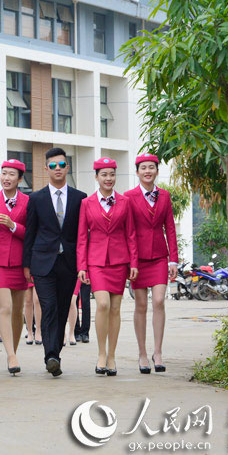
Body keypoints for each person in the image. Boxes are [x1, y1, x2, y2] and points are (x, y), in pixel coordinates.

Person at [23, 148, 87, 377]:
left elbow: (83, 235)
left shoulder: (81, 198)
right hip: (42, 263)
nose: (57, 169)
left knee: (61, 308)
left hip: (69, 263)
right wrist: (26, 265)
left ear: (67, 167)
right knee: (48, 306)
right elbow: (29, 233)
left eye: (61, 165)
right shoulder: (36, 198)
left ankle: (55, 354)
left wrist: (83, 264)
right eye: (52, 166)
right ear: (46, 168)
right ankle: (50, 354)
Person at [77, 158, 138, 376]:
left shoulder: (125, 201)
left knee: (115, 308)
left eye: (112, 174)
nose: (108, 178)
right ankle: (101, 353)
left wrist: (134, 262)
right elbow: (82, 237)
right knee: (102, 304)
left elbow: (131, 234)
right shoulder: (87, 203)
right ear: (96, 177)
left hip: (120, 261)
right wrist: (82, 266)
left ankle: (112, 356)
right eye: (104, 174)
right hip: (96, 261)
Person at [124, 153, 178, 374]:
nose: (147, 171)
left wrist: (173, 259)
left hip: (158, 257)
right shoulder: (128, 197)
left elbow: (170, 228)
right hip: (137, 259)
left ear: (156, 171)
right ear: (137, 172)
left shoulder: (164, 196)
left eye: (151, 168)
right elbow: (128, 231)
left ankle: (158, 352)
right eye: (143, 168)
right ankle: (142, 354)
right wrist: (130, 261)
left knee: (158, 301)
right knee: (141, 305)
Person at [0, 159, 30, 375]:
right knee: (5, 307)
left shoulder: (29, 202)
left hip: (20, 262)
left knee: (17, 311)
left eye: (11, 174)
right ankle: (10, 355)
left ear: (19, 178)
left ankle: (14, 350)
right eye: (3, 173)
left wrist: (13, 226)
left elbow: (31, 233)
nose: (6, 178)